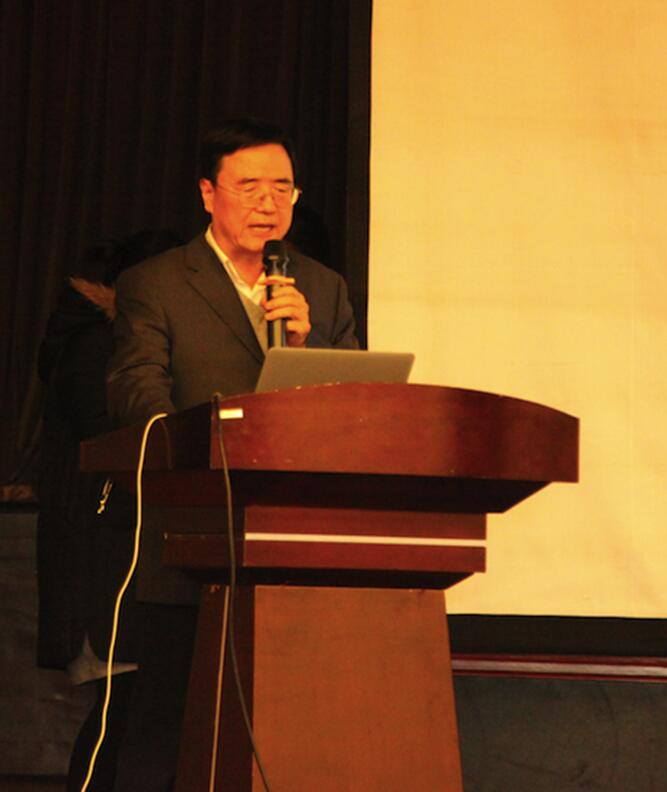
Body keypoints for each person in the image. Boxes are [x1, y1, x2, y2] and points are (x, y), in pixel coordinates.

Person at [105, 118, 358, 791]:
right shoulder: (157, 282)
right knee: (167, 731)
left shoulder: (322, 287)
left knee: (281, 733)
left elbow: (350, 410)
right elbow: (136, 393)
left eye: (282, 188)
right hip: (191, 536)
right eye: (249, 187)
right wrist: (191, 453)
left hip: (293, 545)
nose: (267, 203)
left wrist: (306, 348)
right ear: (207, 193)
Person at [36, 230, 183, 791]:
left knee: (132, 712)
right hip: (104, 551)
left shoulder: (103, 340)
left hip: (121, 545)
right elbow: (110, 441)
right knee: (119, 714)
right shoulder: (98, 346)